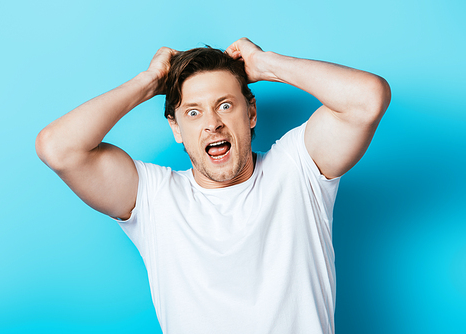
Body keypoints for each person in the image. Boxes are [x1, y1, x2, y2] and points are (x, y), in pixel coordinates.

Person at [36, 37, 391, 334]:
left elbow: (367, 99)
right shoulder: (154, 198)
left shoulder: (297, 170)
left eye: (225, 105)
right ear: (176, 128)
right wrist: (148, 82)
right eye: (193, 112)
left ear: (250, 113)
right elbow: (58, 148)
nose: (212, 124)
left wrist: (266, 65)